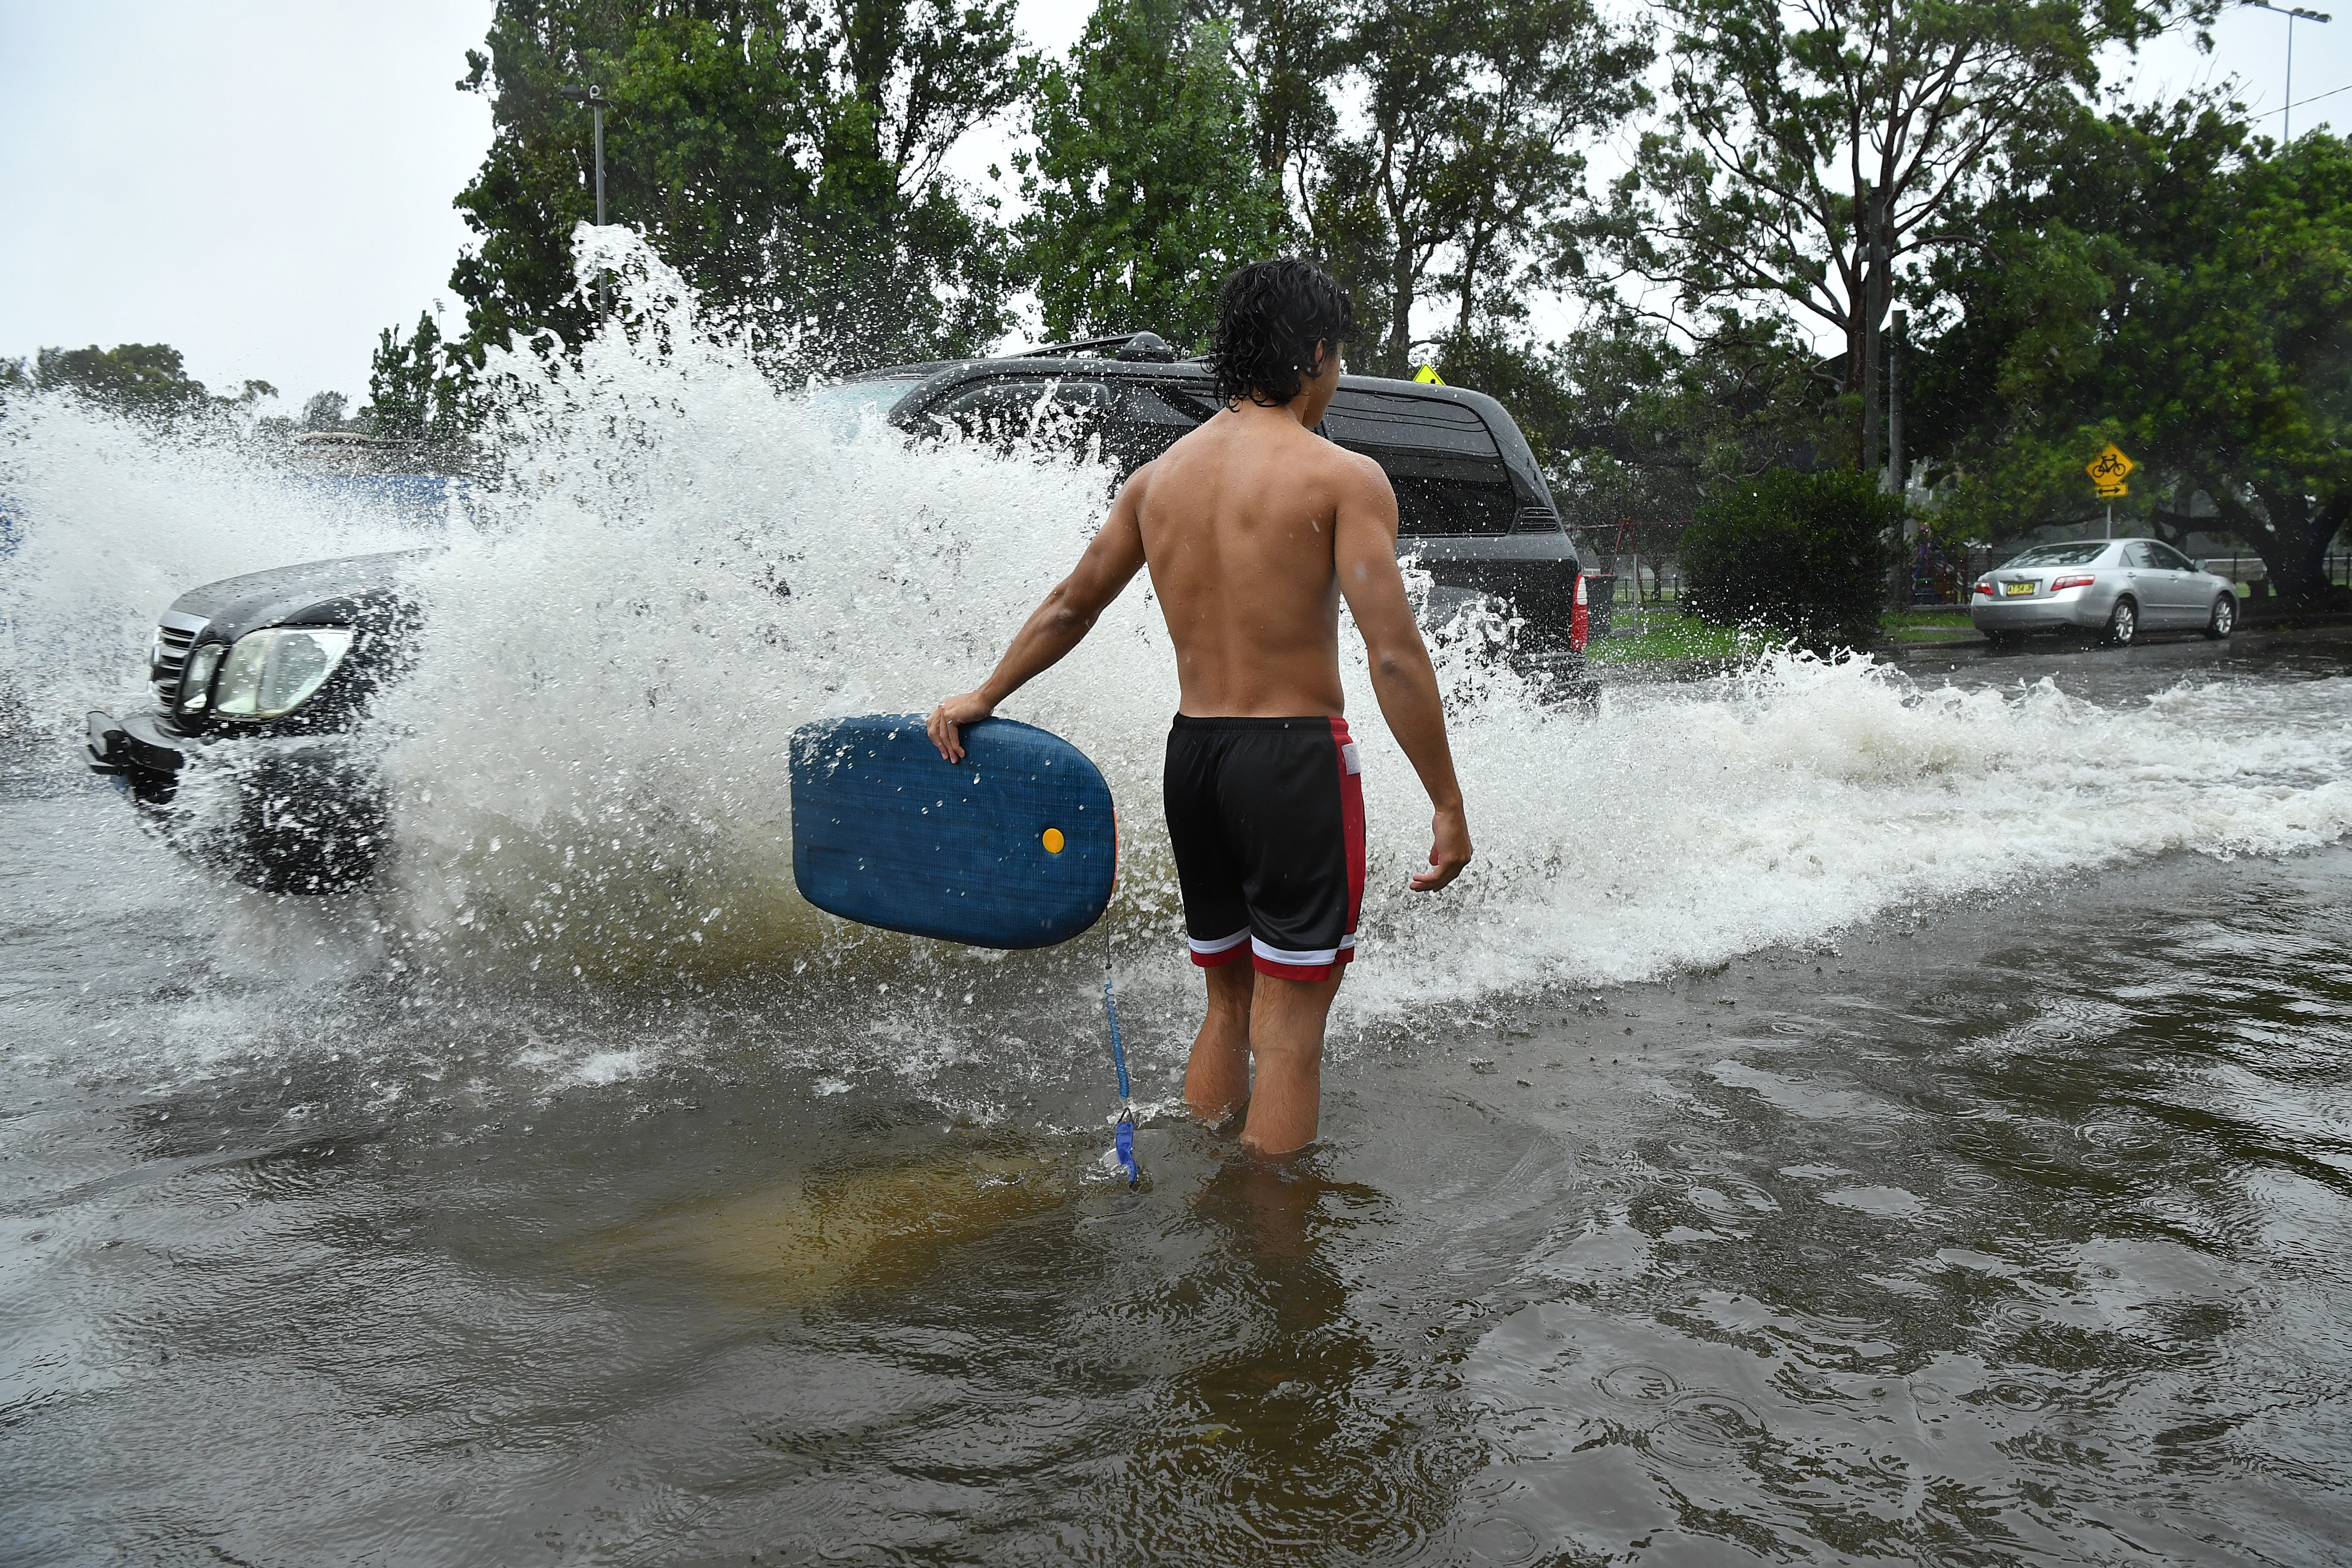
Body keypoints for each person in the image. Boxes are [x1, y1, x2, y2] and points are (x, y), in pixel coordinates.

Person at [927, 258, 1471, 1157]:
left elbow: (1072, 605)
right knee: (1290, 1028)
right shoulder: (1341, 478)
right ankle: (1267, 1254)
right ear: (1313, 354)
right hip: (1292, 764)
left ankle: (1203, 1188)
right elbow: (1392, 654)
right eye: (1336, 359)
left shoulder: (1157, 480)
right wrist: (1445, 801)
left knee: (1225, 997)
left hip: (1195, 761)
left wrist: (984, 694)